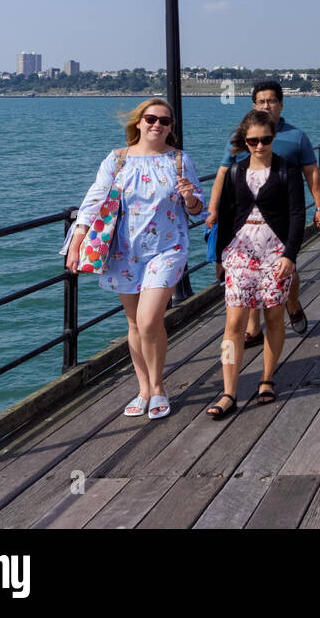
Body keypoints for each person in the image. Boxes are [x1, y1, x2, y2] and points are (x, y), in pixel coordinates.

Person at [67, 98, 203, 419]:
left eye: (165, 121)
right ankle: (143, 387)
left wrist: (189, 197)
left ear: (171, 128)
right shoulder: (117, 160)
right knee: (133, 323)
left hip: (168, 249)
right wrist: (76, 242)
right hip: (124, 250)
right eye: (151, 118)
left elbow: (198, 208)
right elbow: (93, 203)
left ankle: (158, 387)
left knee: (148, 319)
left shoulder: (180, 161)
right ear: (138, 123)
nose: (157, 125)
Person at [205, 81, 320, 349]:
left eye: (271, 101)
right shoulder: (242, 136)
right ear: (253, 106)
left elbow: (311, 172)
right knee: (250, 277)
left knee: (288, 270)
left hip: (283, 217)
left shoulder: (296, 137)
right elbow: (224, 173)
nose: (266, 106)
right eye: (261, 102)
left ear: (281, 104)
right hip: (247, 223)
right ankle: (252, 329)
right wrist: (213, 209)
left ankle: (292, 304)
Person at [206, 110, 307, 418]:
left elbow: (297, 215)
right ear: (245, 141)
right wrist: (220, 256)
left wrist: (290, 254)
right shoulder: (235, 172)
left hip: (275, 252)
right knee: (233, 324)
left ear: (273, 138)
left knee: (274, 317)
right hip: (239, 251)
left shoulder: (287, 171)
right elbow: (224, 213)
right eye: (254, 141)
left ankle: (267, 378)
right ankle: (228, 391)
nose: (260, 146)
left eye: (266, 140)